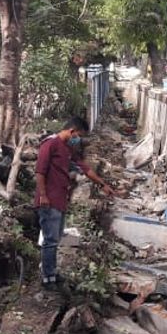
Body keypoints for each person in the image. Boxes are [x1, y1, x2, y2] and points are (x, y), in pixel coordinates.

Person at [35, 117, 115, 291]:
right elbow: (40, 172)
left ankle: (52, 272)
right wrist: (43, 195)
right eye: (78, 135)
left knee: (55, 239)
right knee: (50, 240)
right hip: (49, 200)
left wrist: (102, 184)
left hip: (61, 199)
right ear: (72, 131)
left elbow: (85, 168)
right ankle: (47, 278)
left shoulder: (67, 148)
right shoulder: (49, 145)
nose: (78, 139)